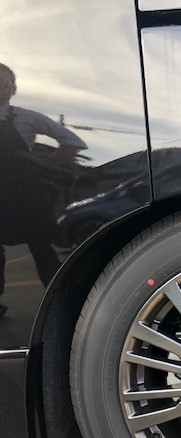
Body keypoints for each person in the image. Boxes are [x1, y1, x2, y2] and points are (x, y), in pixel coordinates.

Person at [0, 63, 87, 317]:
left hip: (26, 194)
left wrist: (45, 163)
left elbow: (73, 142)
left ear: (13, 89)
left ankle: (64, 303)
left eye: (4, 82)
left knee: (41, 248)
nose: (0, 86)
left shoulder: (26, 117)